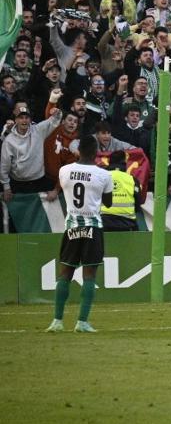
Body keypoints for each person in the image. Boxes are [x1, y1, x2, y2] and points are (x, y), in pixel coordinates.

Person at [46, 136, 112, 334]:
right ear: (96, 152)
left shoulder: (64, 171)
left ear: (78, 151)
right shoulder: (103, 174)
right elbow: (108, 203)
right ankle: (82, 322)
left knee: (65, 273)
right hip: (92, 227)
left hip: (72, 226)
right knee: (89, 275)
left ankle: (57, 321)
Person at [99, 150, 140, 231]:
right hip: (127, 224)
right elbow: (137, 205)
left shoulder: (100, 177)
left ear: (109, 162)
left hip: (103, 223)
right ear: (125, 162)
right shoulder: (132, 180)